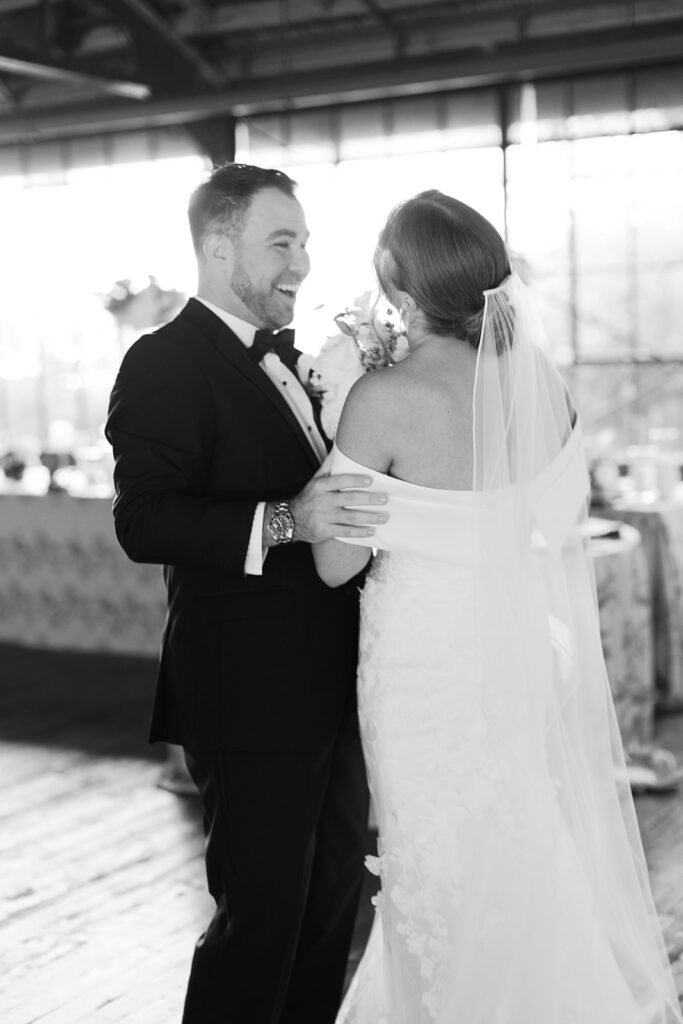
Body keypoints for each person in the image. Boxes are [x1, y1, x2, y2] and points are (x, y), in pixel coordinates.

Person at [313, 190, 683, 1023]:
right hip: (510, 641)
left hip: (419, 657)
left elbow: (335, 565)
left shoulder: (382, 398)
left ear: (395, 281)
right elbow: (557, 520)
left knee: (430, 843)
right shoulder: (537, 384)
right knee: (518, 822)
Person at [106, 162, 390, 1024]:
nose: (301, 263)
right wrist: (288, 520)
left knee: (330, 905)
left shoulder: (303, 362)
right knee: (260, 919)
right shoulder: (162, 362)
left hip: (333, 682)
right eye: (281, 243)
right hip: (246, 690)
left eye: (304, 243)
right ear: (218, 246)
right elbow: (144, 521)